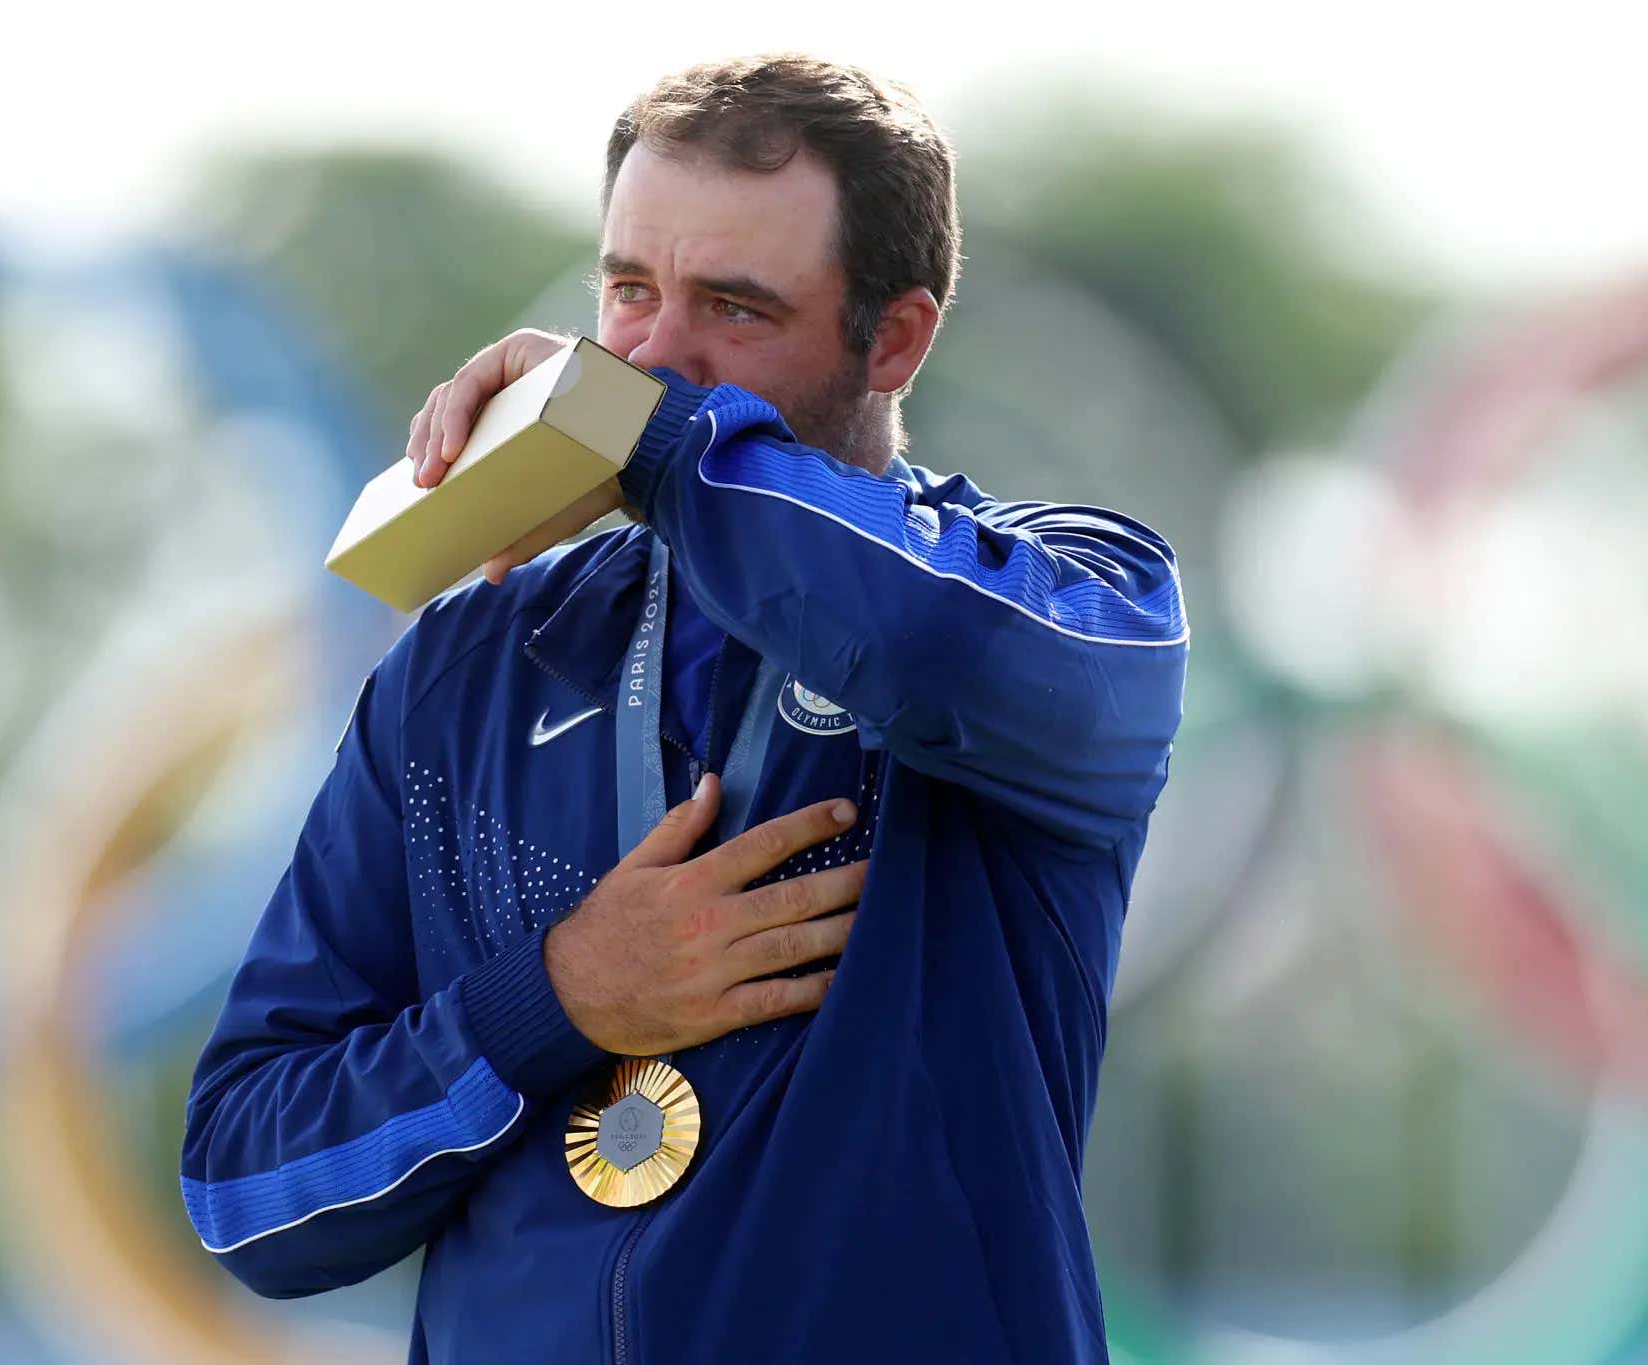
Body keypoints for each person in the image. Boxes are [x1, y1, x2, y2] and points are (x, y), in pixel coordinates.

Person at [181, 53, 1186, 1365]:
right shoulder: (466, 663)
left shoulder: (1075, 596)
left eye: (732, 306)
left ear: (896, 337)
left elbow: (926, 641)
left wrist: (651, 442)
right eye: (626, 293)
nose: (652, 354)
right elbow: (246, 1188)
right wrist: (555, 1001)